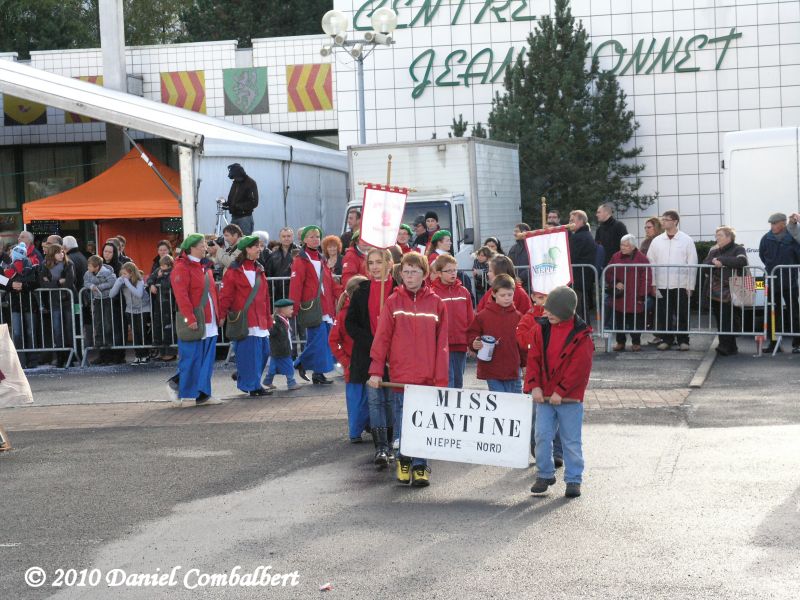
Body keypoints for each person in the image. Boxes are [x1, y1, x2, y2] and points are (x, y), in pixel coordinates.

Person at [367, 252, 449, 486]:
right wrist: (376, 371)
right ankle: (404, 460)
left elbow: (442, 345)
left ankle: (420, 465)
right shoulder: (393, 301)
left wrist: (441, 380)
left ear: (424, 274)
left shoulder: (436, 303)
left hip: (426, 377)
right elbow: (382, 338)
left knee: (423, 422)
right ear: (400, 274)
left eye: (414, 271)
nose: (410, 276)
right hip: (400, 376)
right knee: (403, 420)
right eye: (406, 272)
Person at [525, 286, 593, 498]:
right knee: (541, 436)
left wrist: (561, 392)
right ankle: (544, 474)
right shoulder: (540, 329)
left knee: (571, 441)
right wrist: (534, 385)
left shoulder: (582, 336)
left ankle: (573, 479)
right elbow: (533, 360)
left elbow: (579, 369)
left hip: (569, 399)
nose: (546, 312)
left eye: (552, 310)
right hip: (545, 396)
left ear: (565, 311)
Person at [345, 250, 395, 449]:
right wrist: (373, 341)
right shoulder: (361, 291)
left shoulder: (399, 289)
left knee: (391, 400)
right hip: (368, 354)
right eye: (371, 262)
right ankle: (380, 446)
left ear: (389, 263)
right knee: (374, 400)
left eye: (379, 262)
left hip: (394, 354)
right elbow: (350, 324)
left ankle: (392, 439)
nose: (375, 267)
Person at [166, 234, 222, 407]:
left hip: (209, 320)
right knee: (191, 358)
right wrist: (190, 318)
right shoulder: (182, 267)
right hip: (197, 318)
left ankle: (203, 394)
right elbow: (181, 296)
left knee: (206, 360)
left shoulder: (205, 266)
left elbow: (213, 293)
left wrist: (219, 315)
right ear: (192, 248)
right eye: (202, 245)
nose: (205, 247)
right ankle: (187, 394)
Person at [219, 235, 273, 396]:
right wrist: (221, 315)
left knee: (264, 352)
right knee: (250, 355)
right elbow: (226, 295)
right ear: (247, 249)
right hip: (245, 320)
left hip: (260, 319)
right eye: (256, 246)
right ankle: (252, 386)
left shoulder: (259, 269)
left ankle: (248, 380)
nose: (259, 249)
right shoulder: (233, 271)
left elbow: (265, 297)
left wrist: (268, 318)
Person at [516, 289, 563, 467]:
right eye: (541, 297)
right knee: (536, 417)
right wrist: (540, 325)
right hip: (537, 377)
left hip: (556, 376)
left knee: (559, 416)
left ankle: (557, 452)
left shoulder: (560, 316)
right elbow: (522, 341)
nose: (544, 301)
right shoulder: (528, 318)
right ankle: (539, 452)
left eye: (547, 297)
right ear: (533, 297)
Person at [290, 225, 340, 385]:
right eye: (311, 237)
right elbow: (296, 285)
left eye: (317, 236)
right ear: (304, 239)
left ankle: (316, 371)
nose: (315, 239)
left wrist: (342, 294)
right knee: (318, 341)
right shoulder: (300, 260)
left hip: (325, 306)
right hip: (312, 307)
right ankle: (303, 364)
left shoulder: (321, 259)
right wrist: (294, 307)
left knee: (322, 342)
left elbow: (330, 282)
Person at [646, 210, 698, 351]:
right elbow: (651, 263)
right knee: (664, 313)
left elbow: (692, 263)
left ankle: (683, 340)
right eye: (662, 219)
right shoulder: (657, 241)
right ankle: (666, 339)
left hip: (681, 284)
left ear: (675, 221)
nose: (663, 222)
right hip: (662, 284)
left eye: (666, 219)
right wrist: (653, 284)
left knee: (682, 313)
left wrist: (690, 286)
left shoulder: (686, 240)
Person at [467, 274, 523, 392]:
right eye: (503, 295)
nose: (507, 298)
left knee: (515, 400)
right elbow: (472, 334)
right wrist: (474, 343)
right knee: (499, 400)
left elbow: (523, 344)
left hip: (513, 369)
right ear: (493, 294)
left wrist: (525, 365)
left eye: (510, 295)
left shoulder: (518, 317)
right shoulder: (483, 316)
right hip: (491, 369)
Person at [759, 212, 800, 353]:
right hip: (772, 282)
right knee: (772, 313)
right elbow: (762, 255)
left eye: (775, 223)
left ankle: (797, 344)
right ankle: (774, 343)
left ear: (783, 223)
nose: (772, 226)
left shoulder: (792, 237)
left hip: (790, 282)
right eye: (771, 224)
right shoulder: (766, 238)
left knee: (794, 312)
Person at [704, 226, 748, 356]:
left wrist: (721, 261)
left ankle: (726, 346)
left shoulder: (738, 248)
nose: (717, 238)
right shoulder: (714, 251)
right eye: (716, 235)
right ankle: (729, 346)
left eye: (720, 235)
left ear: (729, 237)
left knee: (729, 317)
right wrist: (714, 263)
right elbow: (705, 265)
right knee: (720, 317)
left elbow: (742, 261)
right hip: (715, 290)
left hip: (733, 289)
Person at [431, 254, 473, 389]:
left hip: (461, 343)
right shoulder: (433, 293)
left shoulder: (464, 292)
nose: (453, 273)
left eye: (454, 270)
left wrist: (471, 341)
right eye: (448, 271)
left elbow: (470, 318)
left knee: (459, 381)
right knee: (448, 380)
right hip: (442, 345)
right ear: (439, 273)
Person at [605, 234, 651, 352]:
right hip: (620, 296)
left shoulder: (642, 259)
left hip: (635, 297)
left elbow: (646, 278)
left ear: (633, 247)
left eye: (626, 245)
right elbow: (608, 272)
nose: (623, 247)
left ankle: (636, 342)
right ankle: (620, 342)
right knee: (619, 320)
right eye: (622, 245)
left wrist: (642, 295)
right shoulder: (616, 256)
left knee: (636, 321)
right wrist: (615, 282)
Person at [36, 244, 76, 367]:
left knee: (69, 329)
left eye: (62, 252)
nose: (61, 254)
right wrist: (58, 282)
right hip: (53, 301)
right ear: (52, 254)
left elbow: (69, 282)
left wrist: (52, 283)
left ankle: (70, 357)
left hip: (68, 300)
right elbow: (43, 284)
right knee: (57, 330)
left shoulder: (69, 264)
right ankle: (60, 357)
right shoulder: (44, 265)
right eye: (58, 252)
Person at [3, 243, 39, 368]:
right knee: (17, 332)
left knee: (30, 331)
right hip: (15, 303)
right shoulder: (7, 266)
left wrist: (23, 285)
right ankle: (20, 360)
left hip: (29, 302)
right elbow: (1, 281)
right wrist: (11, 285)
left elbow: (36, 282)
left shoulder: (31, 265)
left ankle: (32, 360)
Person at [109, 261, 152, 365]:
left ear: (131, 273)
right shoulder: (122, 282)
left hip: (143, 308)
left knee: (142, 332)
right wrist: (118, 283)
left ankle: (145, 355)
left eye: (125, 274)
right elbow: (111, 294)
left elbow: (139, 294)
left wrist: (127, 283)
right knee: (135, 333)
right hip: (130, 309)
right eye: (122, 274)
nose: (123, 276)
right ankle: (138, 355)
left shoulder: (139, 281)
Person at [83, 255, 117, 365]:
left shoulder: (106, 272)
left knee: (107, 323)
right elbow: (85, 282)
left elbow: (113, 282)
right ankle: (99, 345)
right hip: (97, 299)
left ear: (96, 266)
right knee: (97, 322)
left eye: (90, 266)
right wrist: (91, 286)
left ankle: (108, 345)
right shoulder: (88, 273)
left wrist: (99, 287)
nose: (88, 268)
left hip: (107, 299)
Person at [568, 210, 598, 323]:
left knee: (579, 308)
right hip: (583, 277)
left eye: (572, 220)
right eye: (569, 220)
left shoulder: (578, 237)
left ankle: (583, 331)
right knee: (581, 307)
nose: (570, 223)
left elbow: (571, 256)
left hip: (578, 278)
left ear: (581, 221)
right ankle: (585, 330)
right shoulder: (585, 235)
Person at [265, 298, 300, 391]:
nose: (292, 311)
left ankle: (268, 381)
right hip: (281, 349)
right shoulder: (276, 321)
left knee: (273, 368)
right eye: (291, 309)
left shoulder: (284, 320)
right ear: (283, 310)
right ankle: (291, 383)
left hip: (278, 350)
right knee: (289, 366)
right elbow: (271, 332)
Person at [147, 254, 176, 361]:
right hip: (159, 303)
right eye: (161, 265)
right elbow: (150, 278)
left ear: (169, 265)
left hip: (169, 304)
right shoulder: (159, 270)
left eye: (164, 265)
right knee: (158, 327)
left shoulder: (173, 272)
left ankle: (171, 352)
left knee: (168, 328)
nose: (162, 267)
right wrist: (152, 284)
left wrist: (160, 277)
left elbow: (168, 284)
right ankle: (161, 351)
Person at [265, 227, 298, 301]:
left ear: (292, 237)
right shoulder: (272, 256)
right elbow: (268, 274)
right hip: (277, 293)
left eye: (288, 236)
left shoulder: (300, 253)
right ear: (280, 238)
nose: (286, 238)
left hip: (294, 290)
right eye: (283, 236)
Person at [225, 163, 258, 235]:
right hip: (234, 216)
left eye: (235, 176)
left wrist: (239, 206)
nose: (234, 178)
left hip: (245, 218)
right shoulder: (236, 183)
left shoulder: (250, 183)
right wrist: (227, 204)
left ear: (239, 174)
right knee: (232, 238)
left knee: (245, 239)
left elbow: (254, 202)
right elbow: (232, 196)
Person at [595, 203, 628, 268]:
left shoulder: (619, 226)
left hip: (618, 266)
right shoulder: (599, 229)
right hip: (604, 267)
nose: (596, 215)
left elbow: (627, 246)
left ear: (606, 213)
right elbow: (597, 248)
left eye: (599, 212)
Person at [507, 223, 531, 289]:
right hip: (515, 283)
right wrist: (512, 278)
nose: (514, 233)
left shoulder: (532, 247)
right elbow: (508, 264)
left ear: (524, 232)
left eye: (516, 231)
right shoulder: (513, 248)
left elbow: (535, 265)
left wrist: (521, 278)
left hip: (529, 284)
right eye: (514, 231)